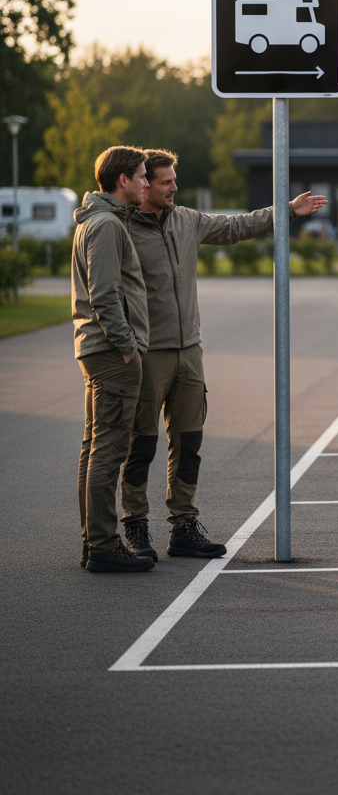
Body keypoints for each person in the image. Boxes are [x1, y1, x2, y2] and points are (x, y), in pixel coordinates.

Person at [120, 149, 327, 560]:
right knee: (140, 443)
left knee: (189, 440)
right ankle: (135, 526)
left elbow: (237, 226)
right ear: (144, 184)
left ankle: (183, 526)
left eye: (174, 180)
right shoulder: (122, 228)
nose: (174, 187)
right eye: (165, 181)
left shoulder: (186, 221)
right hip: (147, 354)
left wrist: (286, 210)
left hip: (189, 350)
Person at [73, 146, 155, 573]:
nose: (146, 182)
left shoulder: (102, 220)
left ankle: (95, 544)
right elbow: (105, 294)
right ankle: (103, 547)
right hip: (111, 352)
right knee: (108, 449)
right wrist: (126, 345)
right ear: (122, 180)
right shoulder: (106, 225)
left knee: (95, 448)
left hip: (101, 350)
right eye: (142, 176)